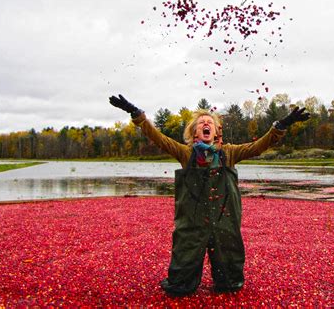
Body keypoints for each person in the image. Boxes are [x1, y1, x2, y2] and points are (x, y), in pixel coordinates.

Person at [109, 94, 310, 297]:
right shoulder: (185, 153)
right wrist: (136, 113)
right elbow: (159, 138)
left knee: (231, 282)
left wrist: (282, 124)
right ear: (194, 132)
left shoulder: (229, 153)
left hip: (225, 221)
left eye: (210, 123)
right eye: (201, 123)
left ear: (215, 132)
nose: (206, 124)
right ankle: (183, 281)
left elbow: (259, 146)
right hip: (191, 222)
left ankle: (227, 280)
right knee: (180, 284)